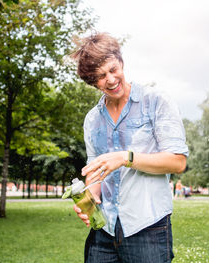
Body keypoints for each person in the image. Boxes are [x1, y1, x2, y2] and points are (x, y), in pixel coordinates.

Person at [71, 32, 189, 263]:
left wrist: (126, 158)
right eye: (101, 76)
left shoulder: (155, 101)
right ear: (92, 82)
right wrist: (90, 199)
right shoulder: (92, 119)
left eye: (113, 70)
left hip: (148, 228)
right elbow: (95, 172)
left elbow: (177, 162)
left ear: (121, 62)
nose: (111, 80)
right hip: (104, 229)